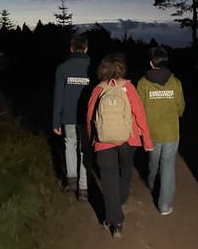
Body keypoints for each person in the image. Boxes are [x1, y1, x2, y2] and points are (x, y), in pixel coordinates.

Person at [86, 52, 153, 238]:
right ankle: (121, 197)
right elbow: (140, 115)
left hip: (104, 140)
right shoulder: (128, 88)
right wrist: (146, 140)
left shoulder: (98, 90)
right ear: (121, 69)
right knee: (125, 168)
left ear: (103, 70)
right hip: (128, 138)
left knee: (109, 179)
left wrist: (93, 139)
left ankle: (115, 222)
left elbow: (90, 117)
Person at [137, 47, 185, 215]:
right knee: (168, 165)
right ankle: (165, 205)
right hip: (171, 132)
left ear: (151, 62)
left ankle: (151, 184)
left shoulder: (143, 83)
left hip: (152, 133)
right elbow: (180, 108)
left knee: (153, 161)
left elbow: (139, 110)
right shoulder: (176, 83)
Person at [53, 33, 91, 201]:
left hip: (68, 117)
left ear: (71, 48)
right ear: (86, 48)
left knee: (70, 145)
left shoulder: (62, 68)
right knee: (85, 151)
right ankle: (83, 189)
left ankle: (72, 182)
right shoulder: (93, 67)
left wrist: (56, 120)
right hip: (87, 117)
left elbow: (58, 96)